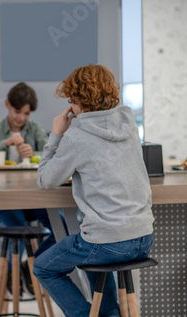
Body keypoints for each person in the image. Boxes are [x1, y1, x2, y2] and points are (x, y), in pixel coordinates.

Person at [33, 64, 154, 317]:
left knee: (43, 267)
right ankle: (108, 312)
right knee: (94, 247)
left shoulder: (77, 134)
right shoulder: (128, 122)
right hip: (144, 238)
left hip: (108, 243)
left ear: (76, 98)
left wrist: (56, 134)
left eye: (71, 99)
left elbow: (45, 179)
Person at [0, 82, 56, 294]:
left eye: (26, 113)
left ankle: (30, 266)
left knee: (61, 226)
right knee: (19, 231)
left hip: (33, 199)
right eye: (18, 111)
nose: (21, 118)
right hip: (5, 201)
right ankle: (12, 273)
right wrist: (4, 143)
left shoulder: (34, 130)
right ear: (8, 105)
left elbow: (52, 157)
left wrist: (34, 154)